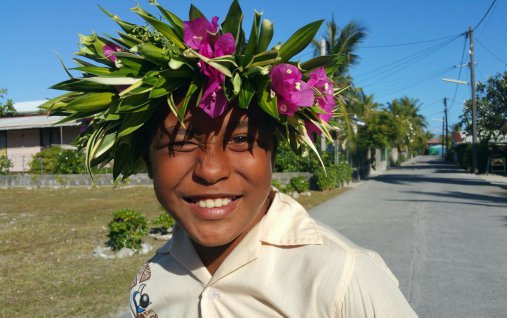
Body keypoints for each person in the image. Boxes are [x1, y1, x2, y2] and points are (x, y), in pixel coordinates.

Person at [43, 1, 418, 317]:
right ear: (145, 158)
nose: (211, 170)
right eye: (182, 143)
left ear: (274, 150)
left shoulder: (343, 279)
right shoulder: (152, 280)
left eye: (241, 139)